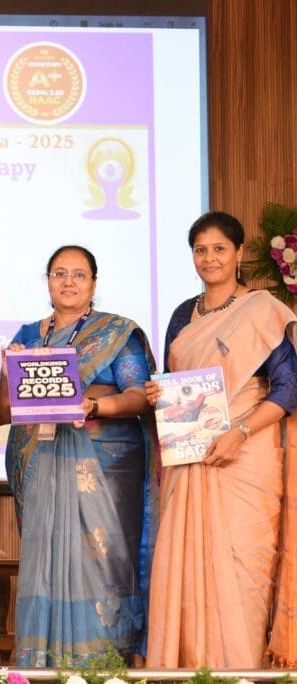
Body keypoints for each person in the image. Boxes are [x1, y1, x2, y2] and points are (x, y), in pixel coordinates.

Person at [0, 245, 158, 667]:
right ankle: (44, 665)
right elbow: (0, 413)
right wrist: (7, 374)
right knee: (46, 564)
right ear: (48, 282)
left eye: (79, 274)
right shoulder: (27, 336)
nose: (68, 282)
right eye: (59, 273)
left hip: (105, 469)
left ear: (93, 284)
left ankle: (102, 665)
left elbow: (140, 397)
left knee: (101, 562)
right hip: (42, 466)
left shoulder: (118, 332)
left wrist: (94, 406)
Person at [144, 211, 297, 668]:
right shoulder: (182, 315)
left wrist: (241, 431)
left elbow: (289, 388)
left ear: (239, 253)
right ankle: (188, 670)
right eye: (200, 250)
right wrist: (157, 392)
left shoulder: (263, 310)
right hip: (189, 459)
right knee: (186, 567)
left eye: (219, 249)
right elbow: (174, 381)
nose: (209, 258)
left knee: (242, 570)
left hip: (245, 457)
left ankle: (240, 670)